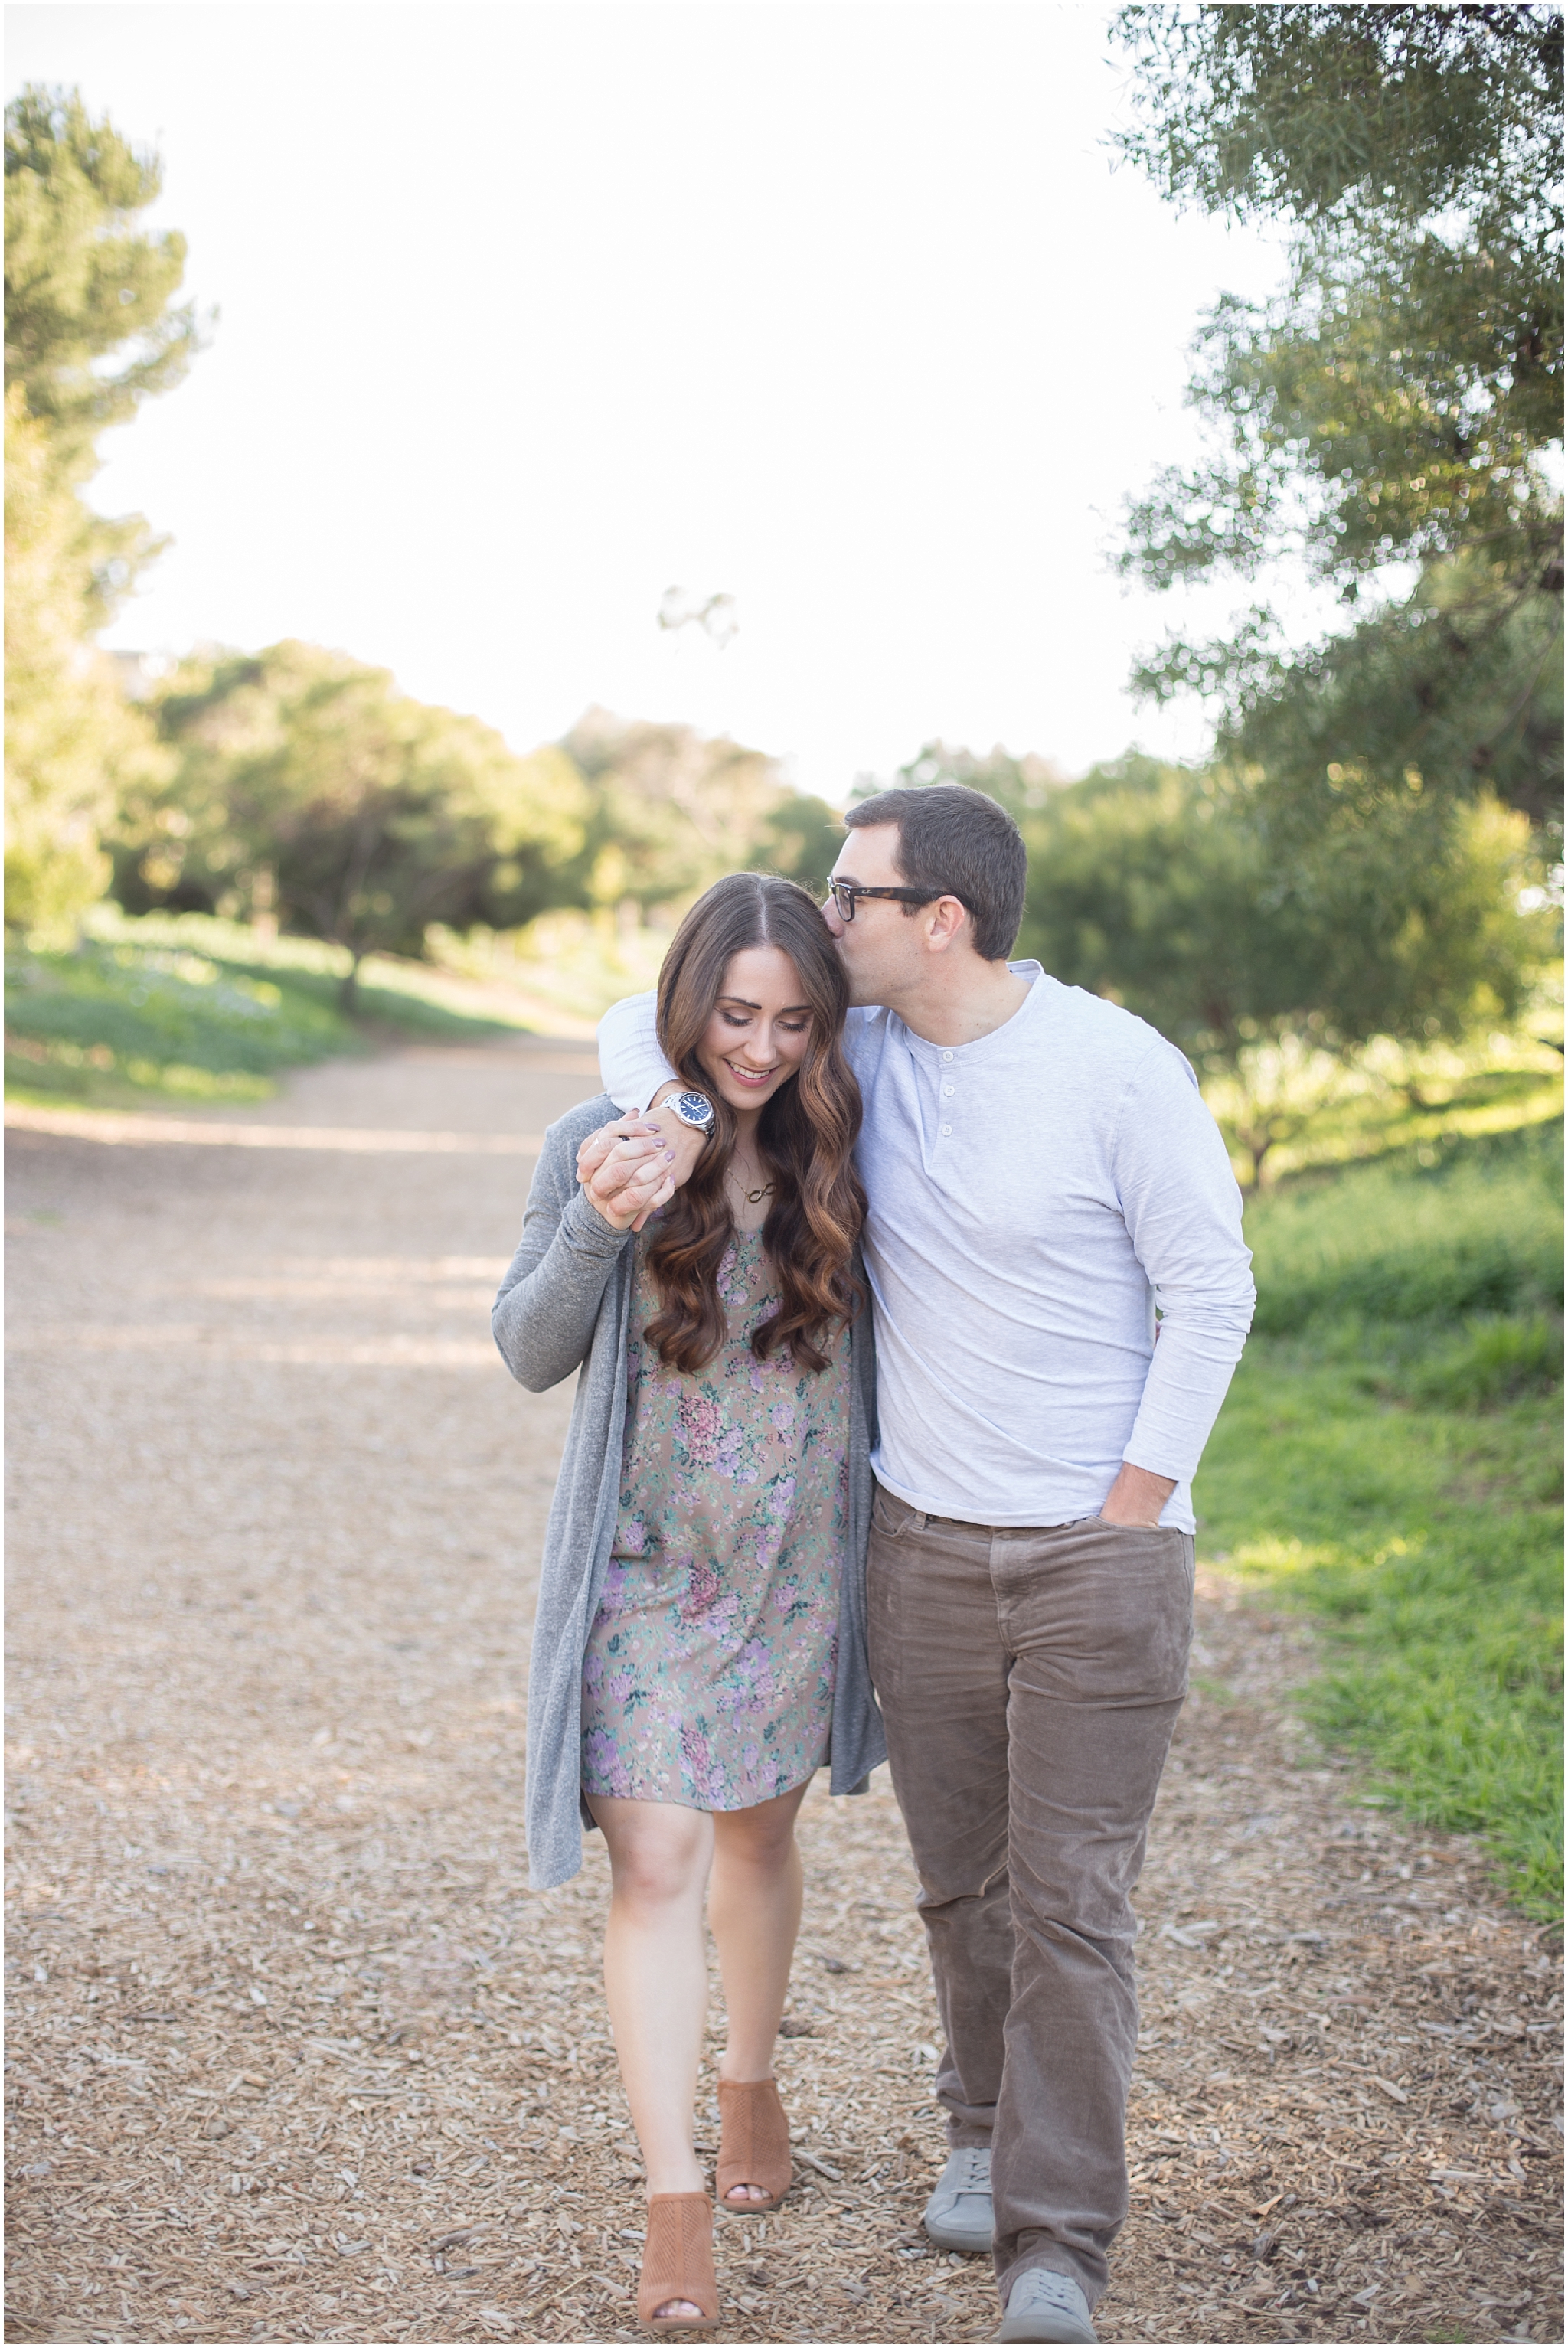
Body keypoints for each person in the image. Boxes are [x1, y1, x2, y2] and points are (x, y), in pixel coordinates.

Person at [588, 785, 1256, 2345]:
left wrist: (1133, 1498)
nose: (825, 915)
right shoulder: (865, 1054)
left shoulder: (1114, 1067)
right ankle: (977, 2129)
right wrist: (677, 1115)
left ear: (934, 919)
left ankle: (1056, 2235)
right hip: (921, 1548)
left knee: (1074, 1904)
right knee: (964, 1890)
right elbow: (648, 1013)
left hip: (1102, 1551)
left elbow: (1209, 1293)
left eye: (848, 892)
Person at [492, 870, 884, 2332]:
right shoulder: (596, 1140)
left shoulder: (852, 1144)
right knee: (652, 1863)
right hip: (649, 1569)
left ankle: (751, 2075)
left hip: (797, 1567)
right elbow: (528, 1351)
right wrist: (596, 1221)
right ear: (684, 1000)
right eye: (736, 1013)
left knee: (757, 1833)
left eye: (793, 1020)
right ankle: (673, 2202)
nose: (762, 1047)